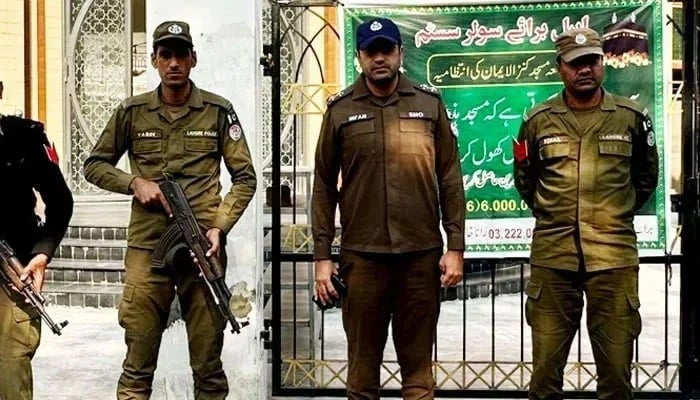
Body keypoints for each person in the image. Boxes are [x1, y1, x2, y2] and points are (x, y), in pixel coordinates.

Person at [83, 20, 256, 400]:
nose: (174, 63)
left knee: (209, 369)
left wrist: (220, 227)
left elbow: (245, 178)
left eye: (181, 54)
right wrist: (134, 183)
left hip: (203, 250)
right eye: (166, 55)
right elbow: (94, 164)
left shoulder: (217, 111)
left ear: (193, 59)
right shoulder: (131, 112)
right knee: (137, 367)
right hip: (148, 251)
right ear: (154, 61)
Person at [311, 17, 465, 400]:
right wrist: (321, 257)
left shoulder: (429, 106)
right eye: (370, 52)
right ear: (360, 57)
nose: (379, 58)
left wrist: (455, 247)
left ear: (400, 53)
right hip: (363, 260)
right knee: (362, 378)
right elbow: (323, 186)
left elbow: (449, 177)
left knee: (418, 377)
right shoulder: (340, 111)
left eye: (386, 50)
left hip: (420, 256)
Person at [514, 27, 659, 400]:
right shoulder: (538, 121)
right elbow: (526, 182)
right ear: (559, 67)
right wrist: (555, 216)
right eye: (575, 63)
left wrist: (612, 219)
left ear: (602, 64)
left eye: (592, 61)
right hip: (553, 258)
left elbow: (645, 179)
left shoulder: (631, 117)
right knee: (545, 374)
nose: (585, 69)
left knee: (615, 373)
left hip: (612, 259)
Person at [0, 80, 74, 400]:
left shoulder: (24, 138)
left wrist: (42, 254)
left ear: (0, 91)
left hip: (13, 271)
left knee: (11, 373)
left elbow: (60, 201)